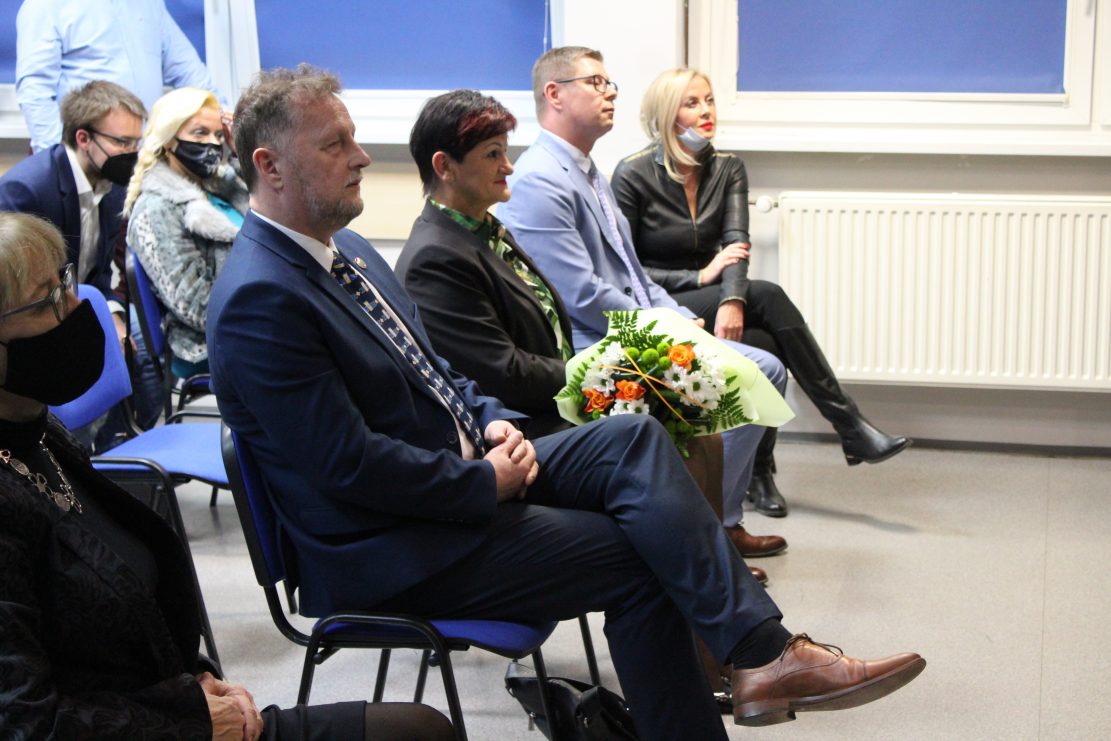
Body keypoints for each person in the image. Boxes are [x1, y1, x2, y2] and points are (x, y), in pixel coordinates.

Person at [207, 64, 925, 739]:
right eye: (335, 145)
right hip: (391, 544)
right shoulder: (260, 298)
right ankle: (760, 658)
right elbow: (348, 467)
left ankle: (763, 655)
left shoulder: (351, 250)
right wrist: (482, 480)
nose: (361, 157)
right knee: (642, 555)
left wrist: (490, 423)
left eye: (354, 138)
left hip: (454, 475)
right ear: (270, 165)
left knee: (634, 437)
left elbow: (438, 373)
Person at [0, 212, 455, 740]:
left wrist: (196, 678)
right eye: (47, 301)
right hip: (157, 728)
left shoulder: (38, 433)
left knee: (419, 728)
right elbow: (26, 724)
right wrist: (192, 721)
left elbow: (118, 605)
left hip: (166, 708)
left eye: (65, 283)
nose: (75, 308)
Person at [394, 89, 768, 585]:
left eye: (506, 151)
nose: (508, 166)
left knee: (702, 421)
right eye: (492, 155)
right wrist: (607, 371)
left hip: (556, 394)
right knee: (675, 430)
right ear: (445, 166)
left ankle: (707, 571)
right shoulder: (436, 256)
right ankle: (700, 583)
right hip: (523, 427)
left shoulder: (485, 231)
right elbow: (503, 374)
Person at [496, 46, 784, 555]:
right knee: (754, 372)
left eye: (610, 83)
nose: (610, 93)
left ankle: (715, 526)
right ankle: (703, 533)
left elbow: (633, 275)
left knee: (766, 368)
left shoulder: (590, 171)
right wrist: (668, 327)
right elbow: (580, 294)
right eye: (595, 82)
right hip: (596, 350)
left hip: (632, 329)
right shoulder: (539, 178)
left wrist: (681, 316)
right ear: (554, 94)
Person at [611, 68, 911, 517]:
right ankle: (847, 425)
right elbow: (626, 270)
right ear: (667, 114)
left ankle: (759, 470)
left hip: (714, 296)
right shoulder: (632, 174)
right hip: (658, 302)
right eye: (692, 103)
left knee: (764, 343)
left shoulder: (727, 168)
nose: (707, 111)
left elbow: (737, 244)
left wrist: (732, 300)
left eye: (709, 100)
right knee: (768, 296)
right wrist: (700, 277)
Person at [0, 79, 162, 442]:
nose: (132, 153)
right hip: (37, 327)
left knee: (140, 355)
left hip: (75, 304)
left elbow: (101, 271)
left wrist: (113, 314)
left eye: (137, 143)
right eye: (122, 142)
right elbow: (15, 296)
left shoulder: (112, 186)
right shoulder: (27, 190)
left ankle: (115, 449)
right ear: (84, 138)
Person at [125, 87, 247, 379]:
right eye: (199, 133)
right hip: (212, 344)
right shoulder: (155, 210)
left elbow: (274, 215)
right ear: (168, 140)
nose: (212, 143)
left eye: (218, 135)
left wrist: (240, 150)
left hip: (254, 320)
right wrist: (272, 317)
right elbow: (196, 307)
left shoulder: (222, 186)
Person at [16, 0, 225, 153]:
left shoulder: (148, 5)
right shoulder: (46, 6)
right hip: (87, 160)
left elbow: (189, 71)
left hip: (144, 157)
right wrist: (59, 161)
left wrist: (228, 121)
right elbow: (35, 92)